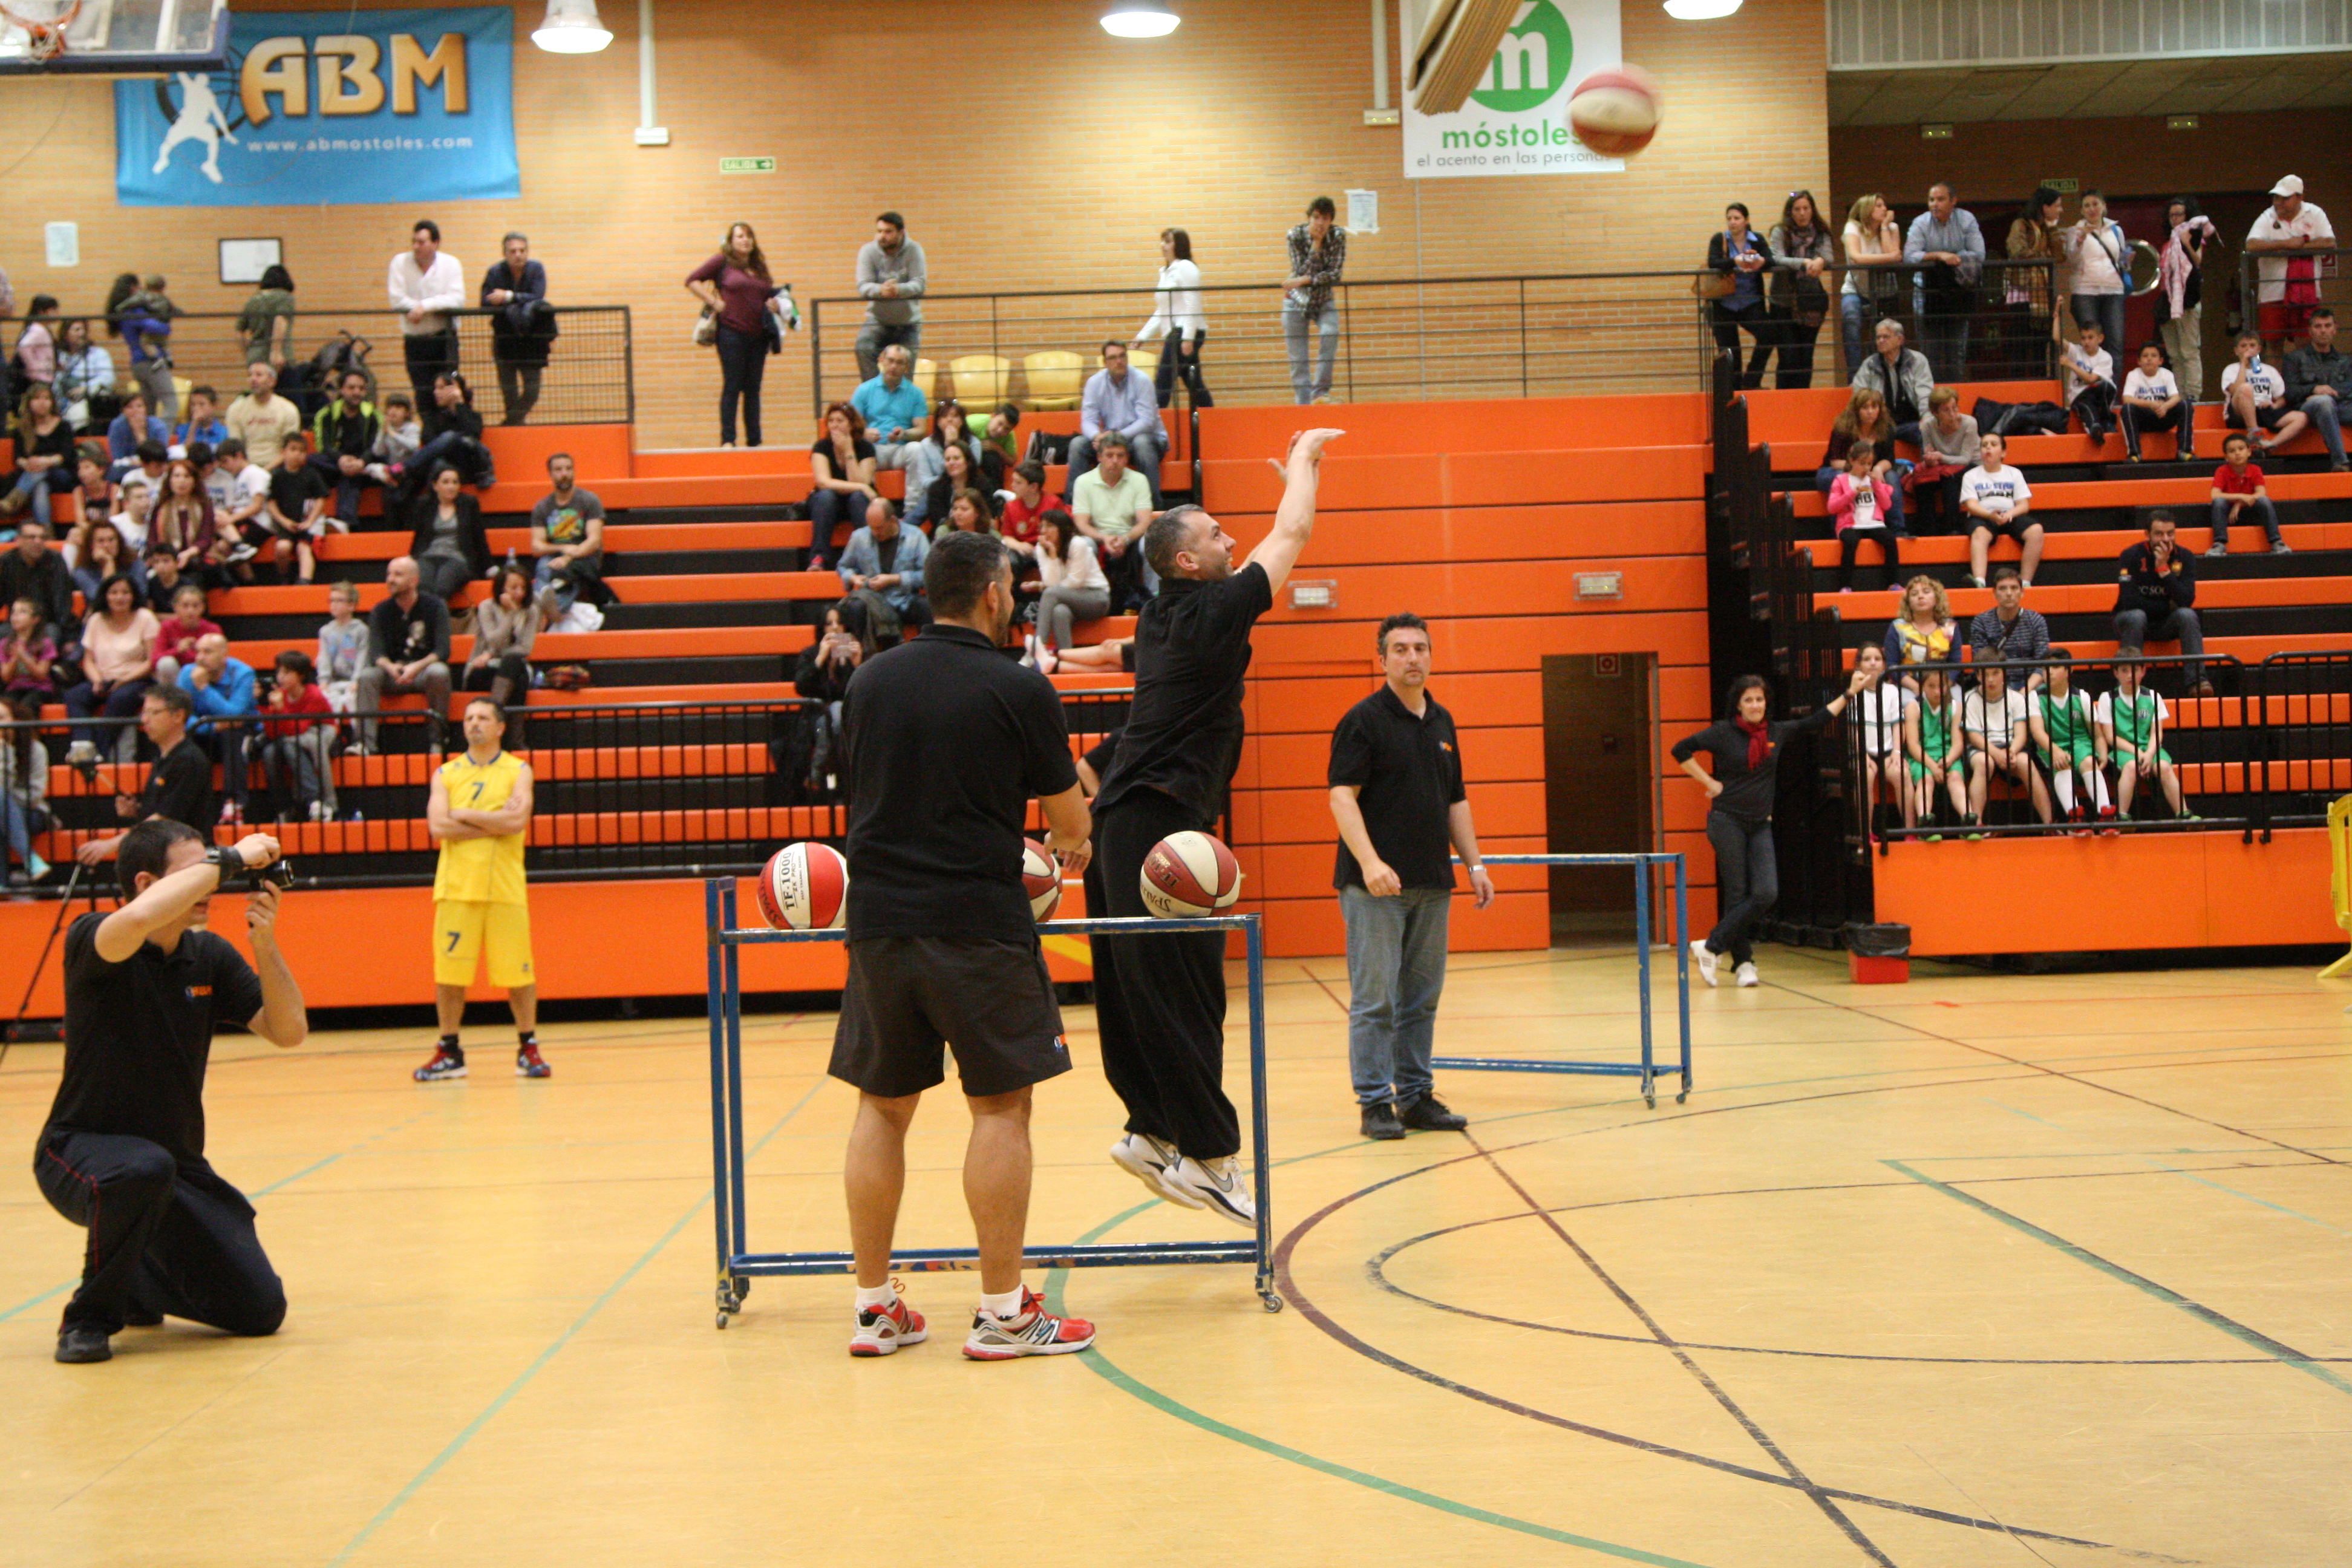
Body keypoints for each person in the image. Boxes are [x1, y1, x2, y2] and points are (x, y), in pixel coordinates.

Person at [826, 530, 1095, 1359]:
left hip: (878, 920)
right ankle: (1004, 1313)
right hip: (978, 921)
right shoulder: (1017, 687)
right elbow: (1069, 820)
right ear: (992, 593)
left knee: (882, 1106)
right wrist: (1071, 843)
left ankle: (875, 1308)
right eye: (1010, 585)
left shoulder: (870, 681)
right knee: (1001, 1107)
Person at [1084, 427, 1345, 1224]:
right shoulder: (1209, 612)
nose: (1232, 540)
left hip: (1119, 827)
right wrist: (1302, 462)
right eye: (1216, 534)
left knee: (1136, 993)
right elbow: (1293, 533)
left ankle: (1152, 1132)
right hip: (1162, 826)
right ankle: (1208, 1158)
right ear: (1187, 563)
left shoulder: (1158, 619)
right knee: (1189, 994)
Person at [36, 817, 304, 1364]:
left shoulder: (208, 956)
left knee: (259, 1310)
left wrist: (264, 943)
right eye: (197, 872)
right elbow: (138, 920)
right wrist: (232, 857)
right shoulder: (95, 936)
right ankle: (88, 1317)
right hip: (80, 1151)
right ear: (145, 883)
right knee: (141, 1169)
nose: (212, 884)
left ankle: (137, 1274)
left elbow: (289, 1031)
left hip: (175, 1167)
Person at [1326, 612, 1494, 1140]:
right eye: (1400, 649)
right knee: (1377, 1001)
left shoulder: (1442, 722)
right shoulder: (1363, 720)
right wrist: (1371, 863)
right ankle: (1375, 1103)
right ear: (1382, 660)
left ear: (1431, 656)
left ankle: (1416, 1097)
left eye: (1420, 648)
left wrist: (1475, 864)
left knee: (1421, 999)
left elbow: (1456, 800)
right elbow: (1341, 796)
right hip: (1375, 890)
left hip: (1432, 884)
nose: (1412, 657)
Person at [1673, 665, 1870, 987]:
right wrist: (1710, 782)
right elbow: (1680, 750)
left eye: (1760, 699)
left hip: (1760, 824)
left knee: (1767, 892)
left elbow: (1815, 721)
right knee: (1737, 893)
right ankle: (1744, 964)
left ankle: (1710, 946)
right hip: (1727, 821)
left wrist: (1849, 693)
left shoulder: (1775, 733)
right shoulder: (1722, 733)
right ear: (1738, 705)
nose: (1755, 705)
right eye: (1749, 700)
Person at [414, 697, 549, 1082]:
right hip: (457, 887)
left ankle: (528, 1048)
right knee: (450, 973)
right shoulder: (446, 773)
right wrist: (494, 821)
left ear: (500, 727)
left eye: (483, 718)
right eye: (469, 718)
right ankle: (449, 1050)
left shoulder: (518, 770)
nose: (474, 723)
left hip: (504, 887)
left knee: (518, 973)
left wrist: (464, 815)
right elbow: (439, 827)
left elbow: (517, 822)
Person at [71, 685, 214, 863]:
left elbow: (165, 819)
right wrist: (137, 810)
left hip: (188, 859)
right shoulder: (163, 757)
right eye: (144, 713)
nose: (145, 719)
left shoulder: (188, 759)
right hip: (166, 857)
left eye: (154, 713)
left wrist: (111, 845)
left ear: (178, 716)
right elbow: (167, 808)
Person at [685, 222, 788, 448]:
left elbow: (764, 294)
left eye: (749, 236)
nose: (745, 240)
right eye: (740, 236)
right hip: (731, 333)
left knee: (753, 389)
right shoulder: (722, 262)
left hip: (759, 335)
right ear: (731, 241)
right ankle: (728, 440)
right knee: (733, 385)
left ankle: (755, 441)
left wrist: (774, 304)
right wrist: (713, 301)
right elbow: (692, 280)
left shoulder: (759, 266)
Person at [352, 556, 453, 754]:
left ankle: (438, 741)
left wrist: (416, 667)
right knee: (367, 676)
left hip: (423, 671)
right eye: (389, 574)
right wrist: (391, 667)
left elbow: (443, 651)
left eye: (398, 575)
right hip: (393, 673)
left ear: (414, 581)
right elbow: (376, 653)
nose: (390, 579)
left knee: (439, 672)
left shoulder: (435, 606)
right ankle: (365, 744)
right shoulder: (380, 611)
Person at [64, 575, 160, 765]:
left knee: (120, 698)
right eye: (114, 593)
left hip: (137, 680)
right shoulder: (96, 619)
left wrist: (124, 680)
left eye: (125, 593)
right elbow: (88, 659)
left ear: (133, 596)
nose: (119, 597)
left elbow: (152, 661)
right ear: (105, 596)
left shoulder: (145, 617)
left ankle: (99, 752)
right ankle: (83, 746)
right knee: (74, 696)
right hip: (104, 678)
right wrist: (97, 680)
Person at [2114, 510, 2210, 696]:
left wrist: (2164, 571)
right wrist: (2168, 607)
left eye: (2170, 533)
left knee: (2187, 615)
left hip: (2166, 624)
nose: (2166, 539)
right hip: (2131, 622)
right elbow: (2129, 600)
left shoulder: (2185, 556)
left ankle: (2197, 682)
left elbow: (2187, 600)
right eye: (2159, 534)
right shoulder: (2131, 555)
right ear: (2147, 534)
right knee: (2136, 616)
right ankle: (2129, 686)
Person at [1904, 181, 1986, 380]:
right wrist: (1940, 256)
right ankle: (1930, 395)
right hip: (1927, 292)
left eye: (1941, 199)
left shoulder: (1966, 219)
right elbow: (1909, 256)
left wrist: (1954, 258)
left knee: (1956, 352)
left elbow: (1979, 254)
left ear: (1953, 201)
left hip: (1958, 291)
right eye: (1931, 200)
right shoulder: (1920, 223)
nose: (1935, 204)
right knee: (1929, 353)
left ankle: (1954, 395)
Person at [1070, 341, 1165, 505]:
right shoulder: (1094, 383)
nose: (1119, 361)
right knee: (1077, 444)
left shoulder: (1142, 380)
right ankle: (1073, 507)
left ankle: (1153, 508)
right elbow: (1088, 420)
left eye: (1122, 356)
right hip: (1112, 441)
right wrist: (1097, 436)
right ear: (1105, 362)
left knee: (1142, 443)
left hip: (1147, 439)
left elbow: (1146, 421)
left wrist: (1115, 436)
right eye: (1113, 358)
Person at [178, 632, 258, 826]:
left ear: (224, 655)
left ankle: (234, 804)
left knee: (232, 733)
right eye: (198, 652)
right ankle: (185, 807)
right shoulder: (188, 673)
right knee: (180, 740)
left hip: (243, 734)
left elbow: (234, 715)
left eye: (207, 652)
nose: (200, 658)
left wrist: (204, 688)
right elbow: (180, 715)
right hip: (205, 733)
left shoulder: (243, 674)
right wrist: (211, 726)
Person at [2097, 659, 2192, 822]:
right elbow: (2110, 737)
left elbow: (2157, 733)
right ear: (2116, 673)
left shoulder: (2153, 696)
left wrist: (2149, 754)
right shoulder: (2107, 698)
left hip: (2150, 748)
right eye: (2124, 671)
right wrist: (2138, 753)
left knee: (2164, 767)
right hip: (2122, 750)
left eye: (2134, 670)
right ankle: (2121, 816)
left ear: (2143, 672)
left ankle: (2183, 814)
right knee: (2131, 767)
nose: (2130, 675)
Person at [2246, 176, 2333, 353]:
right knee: (2274, 346)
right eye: (2276, 197)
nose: (2278, 202)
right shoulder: (2268, 216)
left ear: (2300, 197)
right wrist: (2286, 244)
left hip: (2306, 293)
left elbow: (2329, 242)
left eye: (2285, 198)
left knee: (2305, 345)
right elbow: (2251, 245)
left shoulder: (2314, 213)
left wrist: (2300, 247)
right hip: (2272, 293)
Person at [1073, 432, 1155, 610]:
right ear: (1100, 457)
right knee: (1083, 544)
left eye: (1120, 456)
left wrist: (1125, 539)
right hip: (1097, 537)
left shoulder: (1139, 480)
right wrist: (1104, 538)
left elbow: (1145, 521)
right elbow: (1081, 524)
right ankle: (1088, 601)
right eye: (1109, 455)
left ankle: (1155, 600)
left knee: (1152, 542)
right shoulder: (1083, 482)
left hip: (1130, 537)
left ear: (1127, 458)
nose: (1115, 461)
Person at [2028, 654, 2109, 832]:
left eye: (2055, 667)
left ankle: (2106, 815)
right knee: (2062, 763)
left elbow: (2097, 734)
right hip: (2051, 745)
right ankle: (2075, 817)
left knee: (2089, 762)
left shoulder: (2082, 697)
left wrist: (2103, 753)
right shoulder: (2035, 697)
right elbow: (2037, 732)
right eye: (2045, 668)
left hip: (2080, 742)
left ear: (2069, 670)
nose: (2049, 672)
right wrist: (2055, 751)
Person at [1961, 662, 2048, 828]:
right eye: (1985, 675)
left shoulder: (2016, 698)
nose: (1991, 679)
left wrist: (2012, 751)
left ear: (2004, 674)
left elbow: (2021, 734)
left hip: (2010, 747)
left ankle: (2049, 824)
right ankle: (1976, 825)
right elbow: (1974, 737)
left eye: (1995, 673)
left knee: (2025, 762)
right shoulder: (1969, 698)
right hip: (1982, 748)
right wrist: (1997, 754)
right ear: (1978, 676)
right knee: (1984, 762)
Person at [388, 218, 465, 405]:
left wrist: (424, 307)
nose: (416, 246)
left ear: (435, 243)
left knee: (448, 392)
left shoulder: (451, 264)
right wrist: (423, 308)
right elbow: (396, 299)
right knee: (423, 395)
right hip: (415, 341)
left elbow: (457, 299)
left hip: (444, 339)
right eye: (414, 241)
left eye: (421, 242)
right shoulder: (399, 262)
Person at [481, 232, 554, 426]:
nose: (518, 255)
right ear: (504, 253)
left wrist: (508, 297)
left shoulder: (536, 269)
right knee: (509, 392)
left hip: (532, 339)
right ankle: (515, 427)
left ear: (527, 252)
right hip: (504, 338)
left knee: (532, 390)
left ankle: (510, 423)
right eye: (513, 251)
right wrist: (518, 299)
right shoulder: (495, 272)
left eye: (522, 251)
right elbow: (484, 302)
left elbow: (538, 296)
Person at [1766, 191, 1835, 389]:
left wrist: (1820, 260)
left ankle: (1803, 398)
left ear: (1812, 210)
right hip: (1783, 301)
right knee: (1788, 357)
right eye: (1797, 209)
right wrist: (1804, 263)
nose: (1802, 213)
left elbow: (1829, 257)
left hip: (1810, 301)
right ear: (1790, 212)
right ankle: (1784, 399)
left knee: (1806, 356)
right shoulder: (1780, 231)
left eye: (1806, 208)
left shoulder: (1821, 232)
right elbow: (1777, 258)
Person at [1707, 202, 1779, 390]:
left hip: (1750, 302)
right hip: (1724, 304)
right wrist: (1735, 261)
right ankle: (1735, 390)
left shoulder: (1757, 239)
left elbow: (1770, 260)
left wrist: (1759, 261)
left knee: (1769, 335)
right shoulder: (1719, 239)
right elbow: (1713, 262)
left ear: (1746, 220)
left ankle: (1751, 382)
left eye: (1737, 218)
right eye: (1729, 218)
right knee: (1731, 352)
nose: (1733, 222)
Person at [259, 650, 337, 823]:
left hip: (321, 734)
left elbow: (300, 729)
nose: (280, 677)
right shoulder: (280, 695)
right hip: (292, 737)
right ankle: (284, 808)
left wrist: (281, 709)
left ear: (301, 675)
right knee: (269, 753)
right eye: (279, 672)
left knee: (289, 745)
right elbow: (273, 733)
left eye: (287, 672)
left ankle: (316, 801)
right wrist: (267, 708)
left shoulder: (313, 694)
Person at [465, 561, 541, 737]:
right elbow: (494, 640)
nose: (520, 593)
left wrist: (491, 654)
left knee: (514, 664)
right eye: (514, 588)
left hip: (511, 665)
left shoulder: (531, 610)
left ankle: (492, 718)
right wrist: (511, 614)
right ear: (501, 588)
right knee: (518, 679)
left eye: (523, 588)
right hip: (483, 668)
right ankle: (514, 737)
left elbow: (525, 648)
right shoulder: (487, 607)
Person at [1025, 509, 1106, 671]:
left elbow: (1075, 582)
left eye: (1049, 526)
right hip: (1067, 599)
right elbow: (1051, 583)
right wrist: (1052, 554)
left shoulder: (1078, 544)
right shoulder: (1042, 548)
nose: (1044, 531)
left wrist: (1044, 587)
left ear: (1062, 528)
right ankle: (1066, 662)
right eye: (1042, 527)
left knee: (1051, 593)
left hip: (1097, 598)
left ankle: (1037, 649)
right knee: (1059, 612)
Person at [1284, 197, 1348, 405]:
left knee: (1330, 333)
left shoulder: (1338, 235)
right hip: (1295, 301)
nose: (1320, 223)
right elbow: (1300, 270)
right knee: (1298, 359)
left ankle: (1320, 393)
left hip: (1323, 300)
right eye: (1316, 217)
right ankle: (1304, 404)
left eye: (1326, 219)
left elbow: (1335, 274)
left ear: (1331, 221)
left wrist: (1305, 280)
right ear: (1309, 218)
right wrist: (1316, 245)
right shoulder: (1295, 235)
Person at [1815, 387, 1906, 532]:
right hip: (1836, 470)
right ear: (1856, 410)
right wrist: (1859, 469)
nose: (1870, 412)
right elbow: (1835, 461)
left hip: (1868, 471)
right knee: (1842, 479)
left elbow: (1889, 459)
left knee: (1891, 477)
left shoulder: (1886, 428)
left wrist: (1878, 469)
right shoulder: (1843, 428)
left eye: (1874, 407)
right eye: (1865, 408)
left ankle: (1898, 530)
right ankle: (1841, 530)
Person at [1138, 227, 1211, 407]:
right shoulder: (1166, 272)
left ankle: (1154, 421)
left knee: (1163, 382)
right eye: (1162, 241)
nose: (1163, 245)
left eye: (1168, 241)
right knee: (1194, 383)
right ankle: (1212, 417)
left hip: (1184, 332)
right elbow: (1163, 310)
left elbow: (1192, 304)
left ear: (1179, 245)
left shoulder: (1185, 267)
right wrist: (1142, 336)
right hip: (1178, 332)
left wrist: (1188, 338)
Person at [835, 497, 931, 630]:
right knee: (855, 607)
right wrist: (853, 578)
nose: (875, 533)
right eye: (872, 528)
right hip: (872, 601)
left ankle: (927, 643)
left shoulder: (916, 536)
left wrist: (895, 579)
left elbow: (928, 575)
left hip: (905, 600)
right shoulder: (859, 537)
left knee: (925, 606)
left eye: (879, 528)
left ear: (892, 520)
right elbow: (843, 566)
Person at [1960, 431, 2041, 589]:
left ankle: (2025, 582)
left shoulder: (2014, 473)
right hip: (1983, 516)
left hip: (2009, 515)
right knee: (1980, 533)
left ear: (2003, 452)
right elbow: (1971, 505)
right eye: (1984, 445)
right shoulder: (1971, 475)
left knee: (2036, 531)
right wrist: (1990, 515)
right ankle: (1979, 581)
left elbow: (2024, 505)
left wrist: (2008, 514)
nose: (1988, 448)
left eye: (1993, 444)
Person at [854, 211, 927, 382]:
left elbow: (920, 283)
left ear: (901, 232)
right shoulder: (868, 251)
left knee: (905, 371)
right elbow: (863, 285)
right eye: (879, 231)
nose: (882, 236)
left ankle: (901, 396)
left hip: (908, 322)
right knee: (863, 348)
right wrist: (881, 290)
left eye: (888, 232)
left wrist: (899, 290)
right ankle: (875, 391)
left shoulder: (914, 250)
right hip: (878, 320)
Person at [2157, 197, 2218, 402]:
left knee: (2189, 350)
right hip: (2169, 300)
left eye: (2179, 215)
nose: (2175, 219)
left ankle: (2193, 394)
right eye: (2171, 215)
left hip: (2188, 300)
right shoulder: (2167, 244)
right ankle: (2179, 394)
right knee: (2175, 354)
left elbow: (2197, 261)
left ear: (2188, 216)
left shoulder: (2194, 236)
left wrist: (2185, 242)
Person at [528, 452, 604, 614]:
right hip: (556, 556)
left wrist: (568, 557)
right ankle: (551, 608)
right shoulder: (542, 506)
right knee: (544, 566)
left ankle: (547, 609)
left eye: (568, 469)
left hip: (585, 557)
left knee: (565, 572)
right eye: (559, 470)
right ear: (550, 474)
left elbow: (594, 542)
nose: (565, 474)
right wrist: (562, 549)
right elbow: (536, 547)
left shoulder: (590, 500)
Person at [806, 402, 877, 572]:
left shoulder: (865, 448)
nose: (834, 425)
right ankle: (818, 558)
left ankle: (868, 559)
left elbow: (862, 480)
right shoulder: (822, 446)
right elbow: (823, 482)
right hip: (829, 506)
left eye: (840, 421)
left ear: (851, 425)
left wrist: (848, 451)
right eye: (831, 421)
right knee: (826, 496)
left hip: (856, 504)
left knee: (858, 498)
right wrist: (862, 488)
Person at [1848, 642, 1910, 835]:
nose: (1873, 663)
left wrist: (1897, 753)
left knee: (1902, 774)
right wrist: (1862, 754)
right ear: (1858, 665)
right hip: (1864, 752)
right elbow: (1854, 729)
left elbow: (1898, 725)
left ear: (1884, 664)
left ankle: (1911, 832)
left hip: (1888, 752)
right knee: (1865, 776)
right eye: (1867, 659)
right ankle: (1866, 834)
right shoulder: (1854, 692)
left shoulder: (1892, 691)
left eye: (1877, 659)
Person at [1901, 664, 1970, 839]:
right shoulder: (1914, 707)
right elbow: (1913, 745)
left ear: (1948, 685)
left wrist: (1950, 759)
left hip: (1947, 755)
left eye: (1941, 686)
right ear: (1922, 686)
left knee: (1956, 778)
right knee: (1927, 780)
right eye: (1931, 686)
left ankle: (1968, 820)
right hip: (1922, 758)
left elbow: (1958, 743)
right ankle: (1924, 822)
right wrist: (1932, 766)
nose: (1937, 691)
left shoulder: (1956, 707)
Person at [407, 466, 490, 605]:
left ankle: (434, 619)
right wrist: (412, 558)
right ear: (435, 486)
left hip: (457, 558)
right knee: (423, 587)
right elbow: (418, 537)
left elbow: (479, 537)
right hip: (428, 555)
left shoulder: (469, 504)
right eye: (446, 482)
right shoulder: (425, 504)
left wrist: (489, 567)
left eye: (455, 482)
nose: (451, 487)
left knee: (442, 587)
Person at [1840, 192, 1903, 374]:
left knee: (1885, 334)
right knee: (1851, 322)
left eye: (1884, 205)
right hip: (1855, 289)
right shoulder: (1853, 227)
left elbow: (1893, 258)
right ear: (1867, 209)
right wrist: (1889, 257)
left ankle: (1884, 375)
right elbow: (1856, 257)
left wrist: (1884, 227)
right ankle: (1854, 376)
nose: (1885, 209)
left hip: (1884, 292)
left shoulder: (1892, 227)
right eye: (1879, 206)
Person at [2284, 305, 2352, 472]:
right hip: (2308, 410)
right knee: (2323, 401)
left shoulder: (2346, 361)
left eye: (2328, 326)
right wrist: (2313, 390)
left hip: (2341, 408)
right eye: (2318, 326)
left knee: (2327, 401)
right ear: (2310, 331)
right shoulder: (2295, 358)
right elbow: (2289, 392)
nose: (2323, 331)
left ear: (2335, 329)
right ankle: (2340, 462)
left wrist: (2329, 393)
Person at [1828, 439, 1900, 592]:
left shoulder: (1873, 481)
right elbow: (1832, 507)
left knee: (1890, 540)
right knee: (1850, 542)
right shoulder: (1841, 480)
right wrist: (1851, 493)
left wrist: (1877, 485)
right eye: (1862, 463)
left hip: (1874, 523)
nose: (1866, 468)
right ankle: (1845, 585)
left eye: (1869, 464)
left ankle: (1893, 583)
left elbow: (1887, 505)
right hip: (1851, 524)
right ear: (1852, 461)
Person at [311, 370, 382, 526]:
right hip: (333, 466)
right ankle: (345, 523)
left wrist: (361, 462)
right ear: (341, 390)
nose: (357, 392)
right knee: (311, 460)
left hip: (363, 468)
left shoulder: (373, 416)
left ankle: (345, 523)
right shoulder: (327, 413)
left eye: (361, 388)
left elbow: (375, 447)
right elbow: (324, 446)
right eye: (351, 388)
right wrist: (341, 460)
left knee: (352, 474)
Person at [2063, 191, 2129, 354]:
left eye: (2095, 204)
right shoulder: (2075, 231)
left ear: (2104, 206)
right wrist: (2081, 239)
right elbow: (2072, 260)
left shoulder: (2116, 231)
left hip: (2113, 289)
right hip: (2085, 291)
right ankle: (2091, 372)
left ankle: (2114, 372)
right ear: (2082, 210)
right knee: (2091, 343)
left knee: (2115, 341)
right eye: (2087, 206)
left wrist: (2127, 261)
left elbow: (2121, 263)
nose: (2092, 209)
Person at [261, 431, 332, 584]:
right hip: (286, 523)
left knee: (303, 547)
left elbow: (321, 499)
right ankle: (284, 577)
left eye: (302, 451)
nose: (297, 454)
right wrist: (283, 521)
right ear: (283, 452)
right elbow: (271, 502)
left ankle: (305, 581)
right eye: (293, 449)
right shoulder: (277, 476)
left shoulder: (311, 474)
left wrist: (310, 521)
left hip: (306, 522)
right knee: (282, 548)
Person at [2220, 328, 2305, 454]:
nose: (2248, 349)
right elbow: (2234, 391)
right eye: (2243, 346)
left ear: (2259, 349)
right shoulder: (2231, 369)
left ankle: (2270, 446)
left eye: (2252, 345)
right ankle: (2254, 433)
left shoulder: (2270, 370)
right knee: (2245, 388)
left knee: (2301, 417)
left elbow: (2282, 398)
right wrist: (2243, 364)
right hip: (2239, 412)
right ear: (2236, 351)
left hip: (2264, 410)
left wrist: (2274, 405)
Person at [848, 343, 930, 474]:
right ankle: (866, 488)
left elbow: (921, 430)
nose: (894, 366)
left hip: (901, 449)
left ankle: (915, 490)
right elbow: (850, 426)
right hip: (874, 449)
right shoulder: (863, 390)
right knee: (860, 449)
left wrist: (904, 434)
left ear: (906, 368)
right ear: (882, 360)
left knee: (917, 449)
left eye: (900, 363)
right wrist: (864, 434)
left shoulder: (916, 394)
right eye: (890, 361)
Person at [5, 383, 79, 526]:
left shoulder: (63, 426)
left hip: (61, 474)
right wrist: (28, 464)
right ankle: (46, 532)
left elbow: (67, 455)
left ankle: (13, 501)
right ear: (29, 402)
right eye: (37, 398)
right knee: (41, 486)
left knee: (40, 473)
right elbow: (18, 458)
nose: (42, 403)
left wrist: (46, 462)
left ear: (52, 402)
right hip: (33, 474)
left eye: (46, 398)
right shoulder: (23, 428)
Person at [2005, 185, 2066, 357]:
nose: (2061, 210)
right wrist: (2044, 257)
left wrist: (2053, 229)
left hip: (2043, 293)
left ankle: (2040, 373)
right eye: (2058, 206)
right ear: (2045, 207)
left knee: (2041, 344)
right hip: (2023, 290)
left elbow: (2059, 256)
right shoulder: (2021, 224)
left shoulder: (2047, 228)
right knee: (2021, 342)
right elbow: (2017, 251)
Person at [1909, 387, 1979, 534]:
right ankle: (1927, 531)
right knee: (1922, 479)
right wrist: (1930, 460)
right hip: (1944, 465)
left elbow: (1965, 459)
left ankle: (1953, 529)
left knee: (1949, 478)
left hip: (1973, 465)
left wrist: (1940, 457)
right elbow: (1927, 453)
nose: (1953, 414)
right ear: (1935, 413)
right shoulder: (1928, 426)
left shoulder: (1969, 423)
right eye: (1946, 410)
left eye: (1955, 408)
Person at [1852, 318, 1934, 442]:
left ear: (1900, 340)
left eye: (1886, 337)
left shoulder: (1917, 360)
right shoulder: (1869, 365)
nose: (1881, 341)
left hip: (1912, 423)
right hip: (1881, 425)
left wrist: (1927, 418)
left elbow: (1925, 394)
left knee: (1927, 431)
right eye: (1878, 337)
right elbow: (1860, 397)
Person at [1, 519, 77, 652]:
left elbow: (63, 604)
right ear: (18, 540)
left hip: (47, 624)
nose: (38, 542)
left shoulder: (55, 560)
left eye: (42, 537)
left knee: (51, 635)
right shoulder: (6, 562)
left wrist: (69, 637)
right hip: (15, 624)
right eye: (32, 537)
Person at [2208, 432, 2287, 557]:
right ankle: (2219, 543)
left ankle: (2277, 542)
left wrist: (2240, 503)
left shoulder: (2255, 469)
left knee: (2264, 501)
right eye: (2232, 451)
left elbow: (2261, 493)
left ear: (2249, 452)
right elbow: (2215, 495)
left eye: (2241, 449)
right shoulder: (2222, 471)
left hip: (2251, 509)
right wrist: (2241, 496)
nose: (2237, 453)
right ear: (2226, 457)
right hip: (2228, 512)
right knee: (2219, 502)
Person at [2120, 341, 2192, 463]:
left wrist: (2165, 407)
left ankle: (2184, 451)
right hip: (2144, 420)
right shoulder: (2133, 375)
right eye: (2145, 356)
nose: (2149, 359)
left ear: (2161, 361)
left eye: (2154, 356)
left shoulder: (2167, 374)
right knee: (2127, 408)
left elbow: (2176, 397)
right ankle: (2135, 454)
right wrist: (2151, 405)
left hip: (2163, 417)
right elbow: (2127, 399)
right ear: (2139, 361)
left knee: (2185, 405)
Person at [1968, 565, 2050, 671]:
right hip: (1994, 679)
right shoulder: (1981, 622)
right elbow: (1980, 664)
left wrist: (2030, 683)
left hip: (2030, 679)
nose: (2009, 593)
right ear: (1994, 593)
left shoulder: (2036, 620)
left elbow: (2043, 663)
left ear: (2022, 593)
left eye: (2014, 588)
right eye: (2003, 588)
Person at [224, 361, 301, 471]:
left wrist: (265, 471)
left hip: (279, 468)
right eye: (250, 375)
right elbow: (235, 449)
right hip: (246, 468)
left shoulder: (288, 409)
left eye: (259, 375)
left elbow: (290, 449)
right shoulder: (236, 409)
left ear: (272, 381)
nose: (253, 379)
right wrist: (252, 471)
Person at [151, 580, 220, 690]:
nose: (190, 611)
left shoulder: (212, 629)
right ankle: (174, 698)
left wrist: (198, 653)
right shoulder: (167, 626)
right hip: (175, 677)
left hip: (203, 675)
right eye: (185, 606)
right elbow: (155, 660)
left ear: (203, 607)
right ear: (176, 607)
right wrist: (178, 650)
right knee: (166, 663)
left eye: (195, 606)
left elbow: (219, 660)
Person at [2060, 319, 2118, 443]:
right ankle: (2095, 429)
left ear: (2100, 339)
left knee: (2106, 386)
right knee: (2085, 404)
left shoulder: (2105, 357)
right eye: (2083, 338)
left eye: (2090, 338)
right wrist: (2056, 316)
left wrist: (2070, 364)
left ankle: (2106, 422)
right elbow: (2057, 338)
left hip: (2098, 394)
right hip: (2080, 395)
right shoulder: (2076, 351)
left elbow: (2091, 379)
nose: (2086, 342)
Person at [53, 319, 116, 433]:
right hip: (61, 399)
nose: (81, 333)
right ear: (66, 335)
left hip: (87, 400)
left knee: (78, 416)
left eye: (83, 330)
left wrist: (86, 388)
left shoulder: (98, 354)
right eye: (77, 330)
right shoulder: (59, 356)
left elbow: (108, 378)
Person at [70, 521, 142, 618]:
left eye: (111, 540)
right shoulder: (82, 571)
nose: (107, 545)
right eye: (101, 541)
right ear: (91, 545)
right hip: (100, 617)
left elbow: (141, 594)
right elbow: (102, 602)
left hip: (134, 615)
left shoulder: (135, 563)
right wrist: (108, 563)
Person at [316, 580, 369, 711]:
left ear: (352, 605)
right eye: (332, 601)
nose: (334, 605)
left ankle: (358, 725)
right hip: (334, 682)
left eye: (339, 601)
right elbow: (324, 658)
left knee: (353, 699)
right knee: (326, 699)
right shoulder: (326, 631)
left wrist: (357, 681)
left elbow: (363, 658)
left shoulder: (361, 630)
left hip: (354, 681)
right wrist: (324, 680)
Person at [238, 264, 297, 370]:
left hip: (255, 355)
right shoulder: (285, 297)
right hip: (279, 355)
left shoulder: (254, 300)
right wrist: (276, 351)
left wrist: (248, 352)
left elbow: (239, 330)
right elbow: (280, 320)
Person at [106, 390, 169, 463]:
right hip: (126, 466)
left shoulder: (158, 426)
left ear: (146, 409)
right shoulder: (117, 426)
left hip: (153, 465)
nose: (135, 411)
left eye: (139, 406)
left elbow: (159, 456)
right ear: (123, 411)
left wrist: (140, 434)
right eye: (130, 407)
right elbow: (117, 457)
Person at [172, 385, 227, 457]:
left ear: (214, 406)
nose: (196, 409)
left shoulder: (224, 432)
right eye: (193, 405)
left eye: (202, 404)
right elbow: (185, 453)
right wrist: (194, 425)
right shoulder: (182, 429)